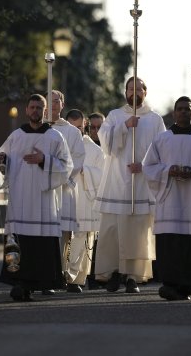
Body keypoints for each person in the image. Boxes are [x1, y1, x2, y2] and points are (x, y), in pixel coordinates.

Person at [0, 94, 73, 302]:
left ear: (45, 111)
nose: (36, 111)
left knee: (39, 245)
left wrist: (44, 160)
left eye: (40, 108)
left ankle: (39, 283)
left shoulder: (55, 136)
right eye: (32, 107)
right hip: (20, 199)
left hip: (43, 200)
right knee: (20, 242)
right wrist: (1, 161)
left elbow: (66, 167)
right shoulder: (16, 136)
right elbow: (2, 160)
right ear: (26, 110)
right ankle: (19, 283)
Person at [144, 96, 191, 301]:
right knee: (169, 245)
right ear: (173, 112)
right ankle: (169, 284)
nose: (183, 112)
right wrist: (167, 171)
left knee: (189, 245)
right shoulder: (161, 139)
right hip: (169, 200)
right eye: (179, 109)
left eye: (187, 109)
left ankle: (187, 286)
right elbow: (148, 167)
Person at [94, 76, 165, 294]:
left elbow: (163, 150)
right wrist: (124, 127)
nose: (134, 92)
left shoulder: (155, 120)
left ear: (145, 91)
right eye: (130, 88)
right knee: (112, 230)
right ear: (125, 92)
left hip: (141, 184)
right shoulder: (115, 115)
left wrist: (144, 167)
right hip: (116, 182)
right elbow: (104, 142)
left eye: (138, 88)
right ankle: (114, 273)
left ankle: (133, 277)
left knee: (137, 232)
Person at [48, 90, 86, 293]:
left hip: (63, 190)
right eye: (49, 101)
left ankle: (62, 273)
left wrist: (63, 177)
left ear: (62, 104)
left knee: (63, 234)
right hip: (42, 190)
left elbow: (78, 158)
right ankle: (44, 275)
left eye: (56, 101)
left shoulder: (72, 132)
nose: (53, 105)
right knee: (43, 232)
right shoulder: (38, 129)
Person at [64, 108, 105, 292]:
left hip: (84, 199)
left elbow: (102, 176)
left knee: (82, 238)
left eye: (79, 127)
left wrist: (85, 171)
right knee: (64, 238)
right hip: (65, 198)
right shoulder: (60, 143)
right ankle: (61, 274)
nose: (76, 131)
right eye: (72, 127)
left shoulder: (95, 150)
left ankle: (77, 278)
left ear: (84, 126)